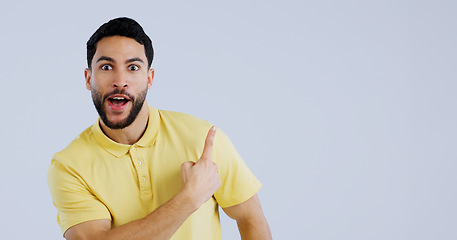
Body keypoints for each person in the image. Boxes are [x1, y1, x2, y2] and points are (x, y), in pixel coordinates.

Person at [47, 17, 272, 240]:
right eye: (106, 67)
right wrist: (189, 198)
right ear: (88, 79)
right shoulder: (69, 166)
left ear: (149, 78)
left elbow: (250, 217)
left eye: (133, 67)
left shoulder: (202, 139)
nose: (120, 80)